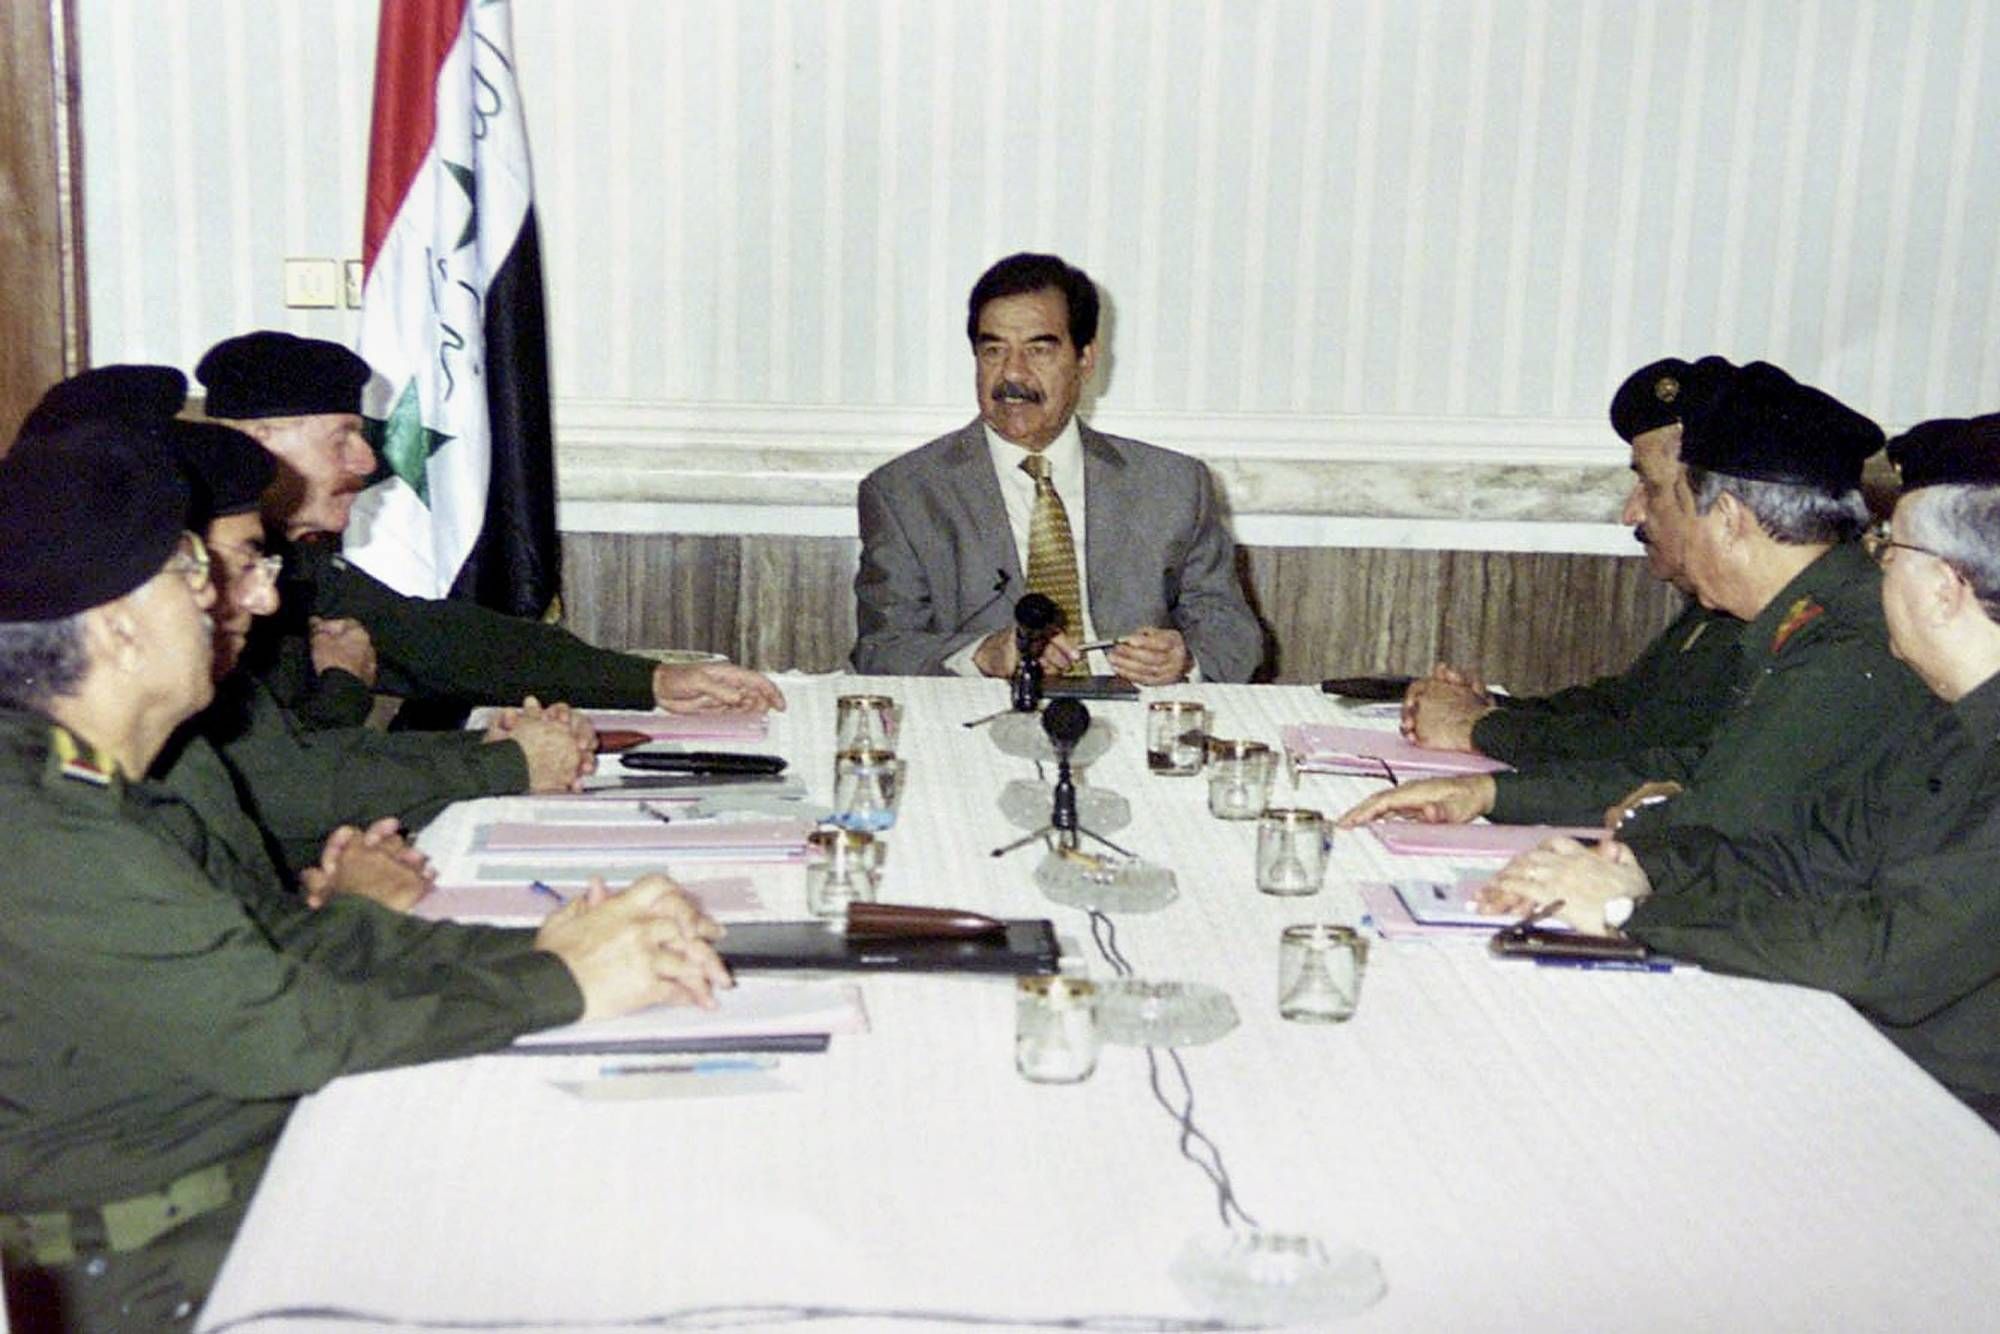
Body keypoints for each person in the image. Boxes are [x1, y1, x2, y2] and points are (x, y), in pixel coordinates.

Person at [0, 422, 731, 1329]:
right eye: (195, 573)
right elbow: (287, 1033)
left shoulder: (102, 788)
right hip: (161, 1269)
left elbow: (283, 941)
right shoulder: (44, 830)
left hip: (245, 1189)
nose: (244, 601)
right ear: (117, 627)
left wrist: (552, 947)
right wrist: (564, 979)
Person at [1477, 413, 2000, 1128]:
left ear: (1944, 589)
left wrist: (1635, 912)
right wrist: (1640, 868)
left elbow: (1886, 954)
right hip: (1869, 1064)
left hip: (1952, 1122)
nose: (1874, 566)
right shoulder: (1948, 721)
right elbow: (1809, 855)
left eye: (1887, 549)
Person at [19, 366, 596, 886]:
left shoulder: (261, 570)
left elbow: (431, 644)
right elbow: (290, 789)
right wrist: (502, 761)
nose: (261, 600)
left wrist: (493, 750)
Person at [1340, 359, 1932, 842]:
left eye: (1675, 501)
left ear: (1728, 520)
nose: (1641, 514)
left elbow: (1722, 805)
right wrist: (1489, 793)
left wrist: (1619, 895)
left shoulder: (1846, 636)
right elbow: (1701, 765)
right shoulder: (1807, 613)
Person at [195, 330, 785, 728]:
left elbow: (440, 641)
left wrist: (654, 681)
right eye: (342, 438)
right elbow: (287, 781)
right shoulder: (202, 574)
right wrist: (346, 687)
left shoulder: (293, 561)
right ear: (258, 444)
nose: (367, 461)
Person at [851, 252, 1262, 684]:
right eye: (993, 350)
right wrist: (981, 655)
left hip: (1136, 710)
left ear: (1085, 360)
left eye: (1038, 350)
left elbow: (1234, 637)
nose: (1013, 373)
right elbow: (881, 649)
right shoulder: (904, 493)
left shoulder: (1173, 485)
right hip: (986, 711)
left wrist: (1186, 659)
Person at [1402, 356, 1745, 763]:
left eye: (1650, 487)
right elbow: (1618, 707)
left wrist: (1474, 726)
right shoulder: (1711, 606)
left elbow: (1644, 750)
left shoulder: (1754, 613)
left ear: (1723, 506)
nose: (1630, 513)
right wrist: (1489, 709)